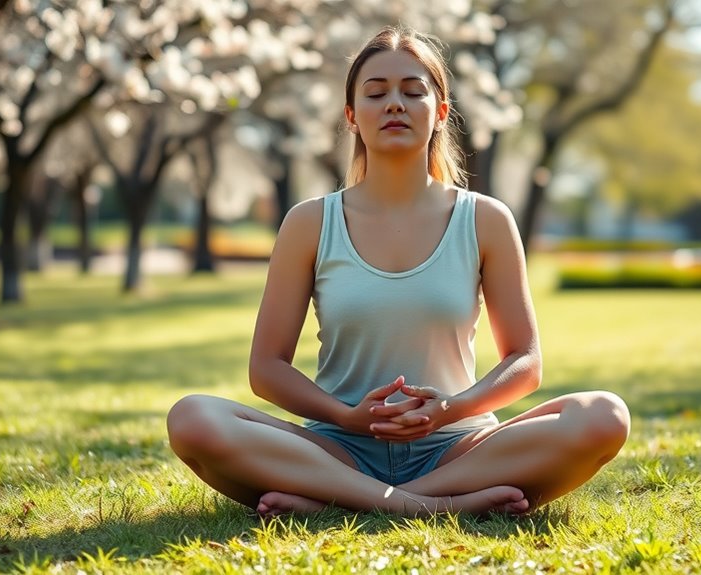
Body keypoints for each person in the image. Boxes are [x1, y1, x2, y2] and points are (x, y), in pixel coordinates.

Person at [166, 26, 630, 517]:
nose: (394, 104)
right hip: (338, 449)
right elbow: (267, 369)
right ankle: (431, 506)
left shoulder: (486, 219)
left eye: (413, 92)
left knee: (603, 416)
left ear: (440, 113)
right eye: (376, 93)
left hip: (459, 449)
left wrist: (448, 410)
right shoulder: (309, 223)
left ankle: (356, 503)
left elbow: (525, 361)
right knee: (193, 418)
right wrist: (349, 417)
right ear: (351, 116)